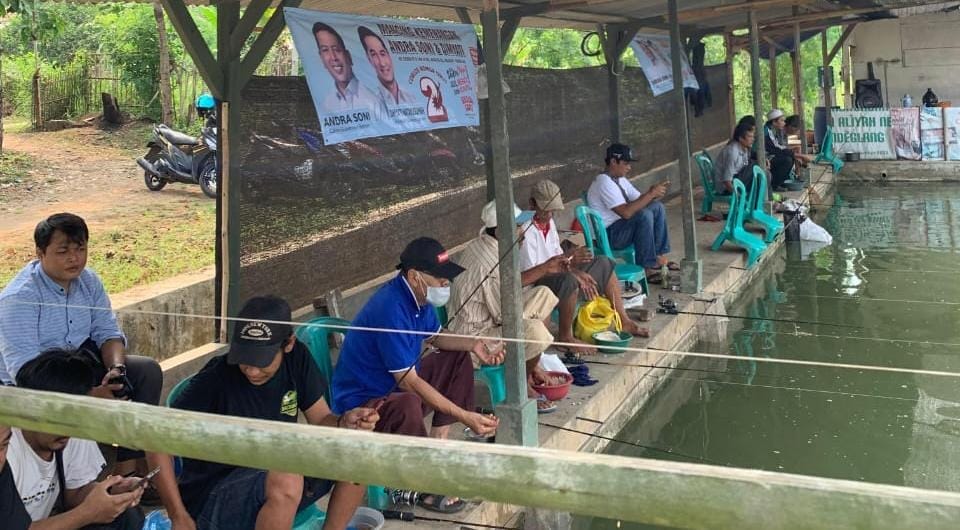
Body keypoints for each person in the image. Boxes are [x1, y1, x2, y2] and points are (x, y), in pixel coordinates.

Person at [0, 213, 180, 524]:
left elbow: (107, 332)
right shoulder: (19, 299)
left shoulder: (89, 281)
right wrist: (87, 395)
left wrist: (115, 371)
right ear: (39, 253)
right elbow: (25, 372)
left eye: (80, 249)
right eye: (63, 250)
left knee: (144, 372)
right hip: (33, 385)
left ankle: (124, 469)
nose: (74, 258)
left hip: (77, 368)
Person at [171, 295, 376, 530]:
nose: (252, 370)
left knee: (358, 451)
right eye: (244, 358)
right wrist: (177, 515)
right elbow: (156, 441)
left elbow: (320, 419)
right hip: (215, 496)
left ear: (288, 344)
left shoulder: (297, 358)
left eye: (262, 360)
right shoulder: (216, 377)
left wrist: (343, 423)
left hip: (275, 475)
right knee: (286, 479)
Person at [331, 237, 500, 513]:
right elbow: (408, 382)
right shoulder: (390, 308)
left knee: (458, 358)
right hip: (365, 402)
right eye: (440, 279)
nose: (446, 285)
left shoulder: (419, 298)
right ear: (414, 276)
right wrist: (464, 415)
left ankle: (436, 447)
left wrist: (473, 344)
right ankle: (421, 484)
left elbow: (436, 337)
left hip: (395, 388)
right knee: (408, 400)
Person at [8, 350, 146, 529]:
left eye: (75, 416)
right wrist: (87, 513)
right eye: (58, 417)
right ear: (30, 409)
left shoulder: (72, 430)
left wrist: (111, 492)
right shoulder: (7, 448)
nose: (68, 430)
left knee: (126, 514)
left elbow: (76, 493)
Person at [447, 200, 562, 411]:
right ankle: (522, 383)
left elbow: (508, 295)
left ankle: (531, 364)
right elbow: (504, 315)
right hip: (475, 337)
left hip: (491, 317)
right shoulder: (488, 263)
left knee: (543, 294)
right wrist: (545, 269)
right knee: (535, 332)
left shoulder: (486, 244)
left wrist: (546, 269)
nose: (523, 232)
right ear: (500, 232)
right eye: (518, 227)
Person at [520, 180, 648, 354]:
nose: (550, 214)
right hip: (536, 283)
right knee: (569, 280)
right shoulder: (524, 229)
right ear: (532, 203)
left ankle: (624, 319)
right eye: (545, 209)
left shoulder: (548, 223)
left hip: (556, 271)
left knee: (603, 262)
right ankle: (565, 336)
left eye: (552, 210)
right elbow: (536, 271)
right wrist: (572, 269)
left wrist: (573, 264)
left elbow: (557, 257)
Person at [586, 144, 675, 280]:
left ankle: (658, 256)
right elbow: (626, 213)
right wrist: (650, 194)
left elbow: (639, 199)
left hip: (621, 228)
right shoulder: (603, 182)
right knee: (643, 215)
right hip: (609, 235)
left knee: (657, 207)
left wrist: (652, 194)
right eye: (626, 163)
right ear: (613, 162)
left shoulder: (620, 179)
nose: (629, 167)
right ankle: (647, 267)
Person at [312, 22, 380, 115]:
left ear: (348, 56)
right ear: (322, 59)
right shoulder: (327, 104)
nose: (333, 57)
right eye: (325, 50)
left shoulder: (373, 101)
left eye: (337, 49)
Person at [358, 26, 413, 109]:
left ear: (389, 55)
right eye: (374, 55)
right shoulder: (372, 103)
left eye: (382, 53)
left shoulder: (410, 98)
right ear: (369, 60)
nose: (382, 63)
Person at [764, 109, 811, 190]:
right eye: (782, 120)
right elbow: (777, 149)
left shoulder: (771, 131)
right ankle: (773, 185)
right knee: (788, 160)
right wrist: (800, 156)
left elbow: (779, 147)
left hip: (769, 156)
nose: (784, 123)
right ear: (774, 122)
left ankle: (780, 182)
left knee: (790, 157)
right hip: (764, 158)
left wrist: (797, 155)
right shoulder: (766, 131)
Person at [713, 121, 757, 195]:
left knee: (761, 172)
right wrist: (738, 195)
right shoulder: (733, 152)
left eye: (753, 136)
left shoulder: (745, 148)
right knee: (755, 167)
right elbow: (726, 180)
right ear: (740, 138)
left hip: (736, 179)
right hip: (726, 188)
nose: (753, 139)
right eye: (749, 137)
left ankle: (757, 201)